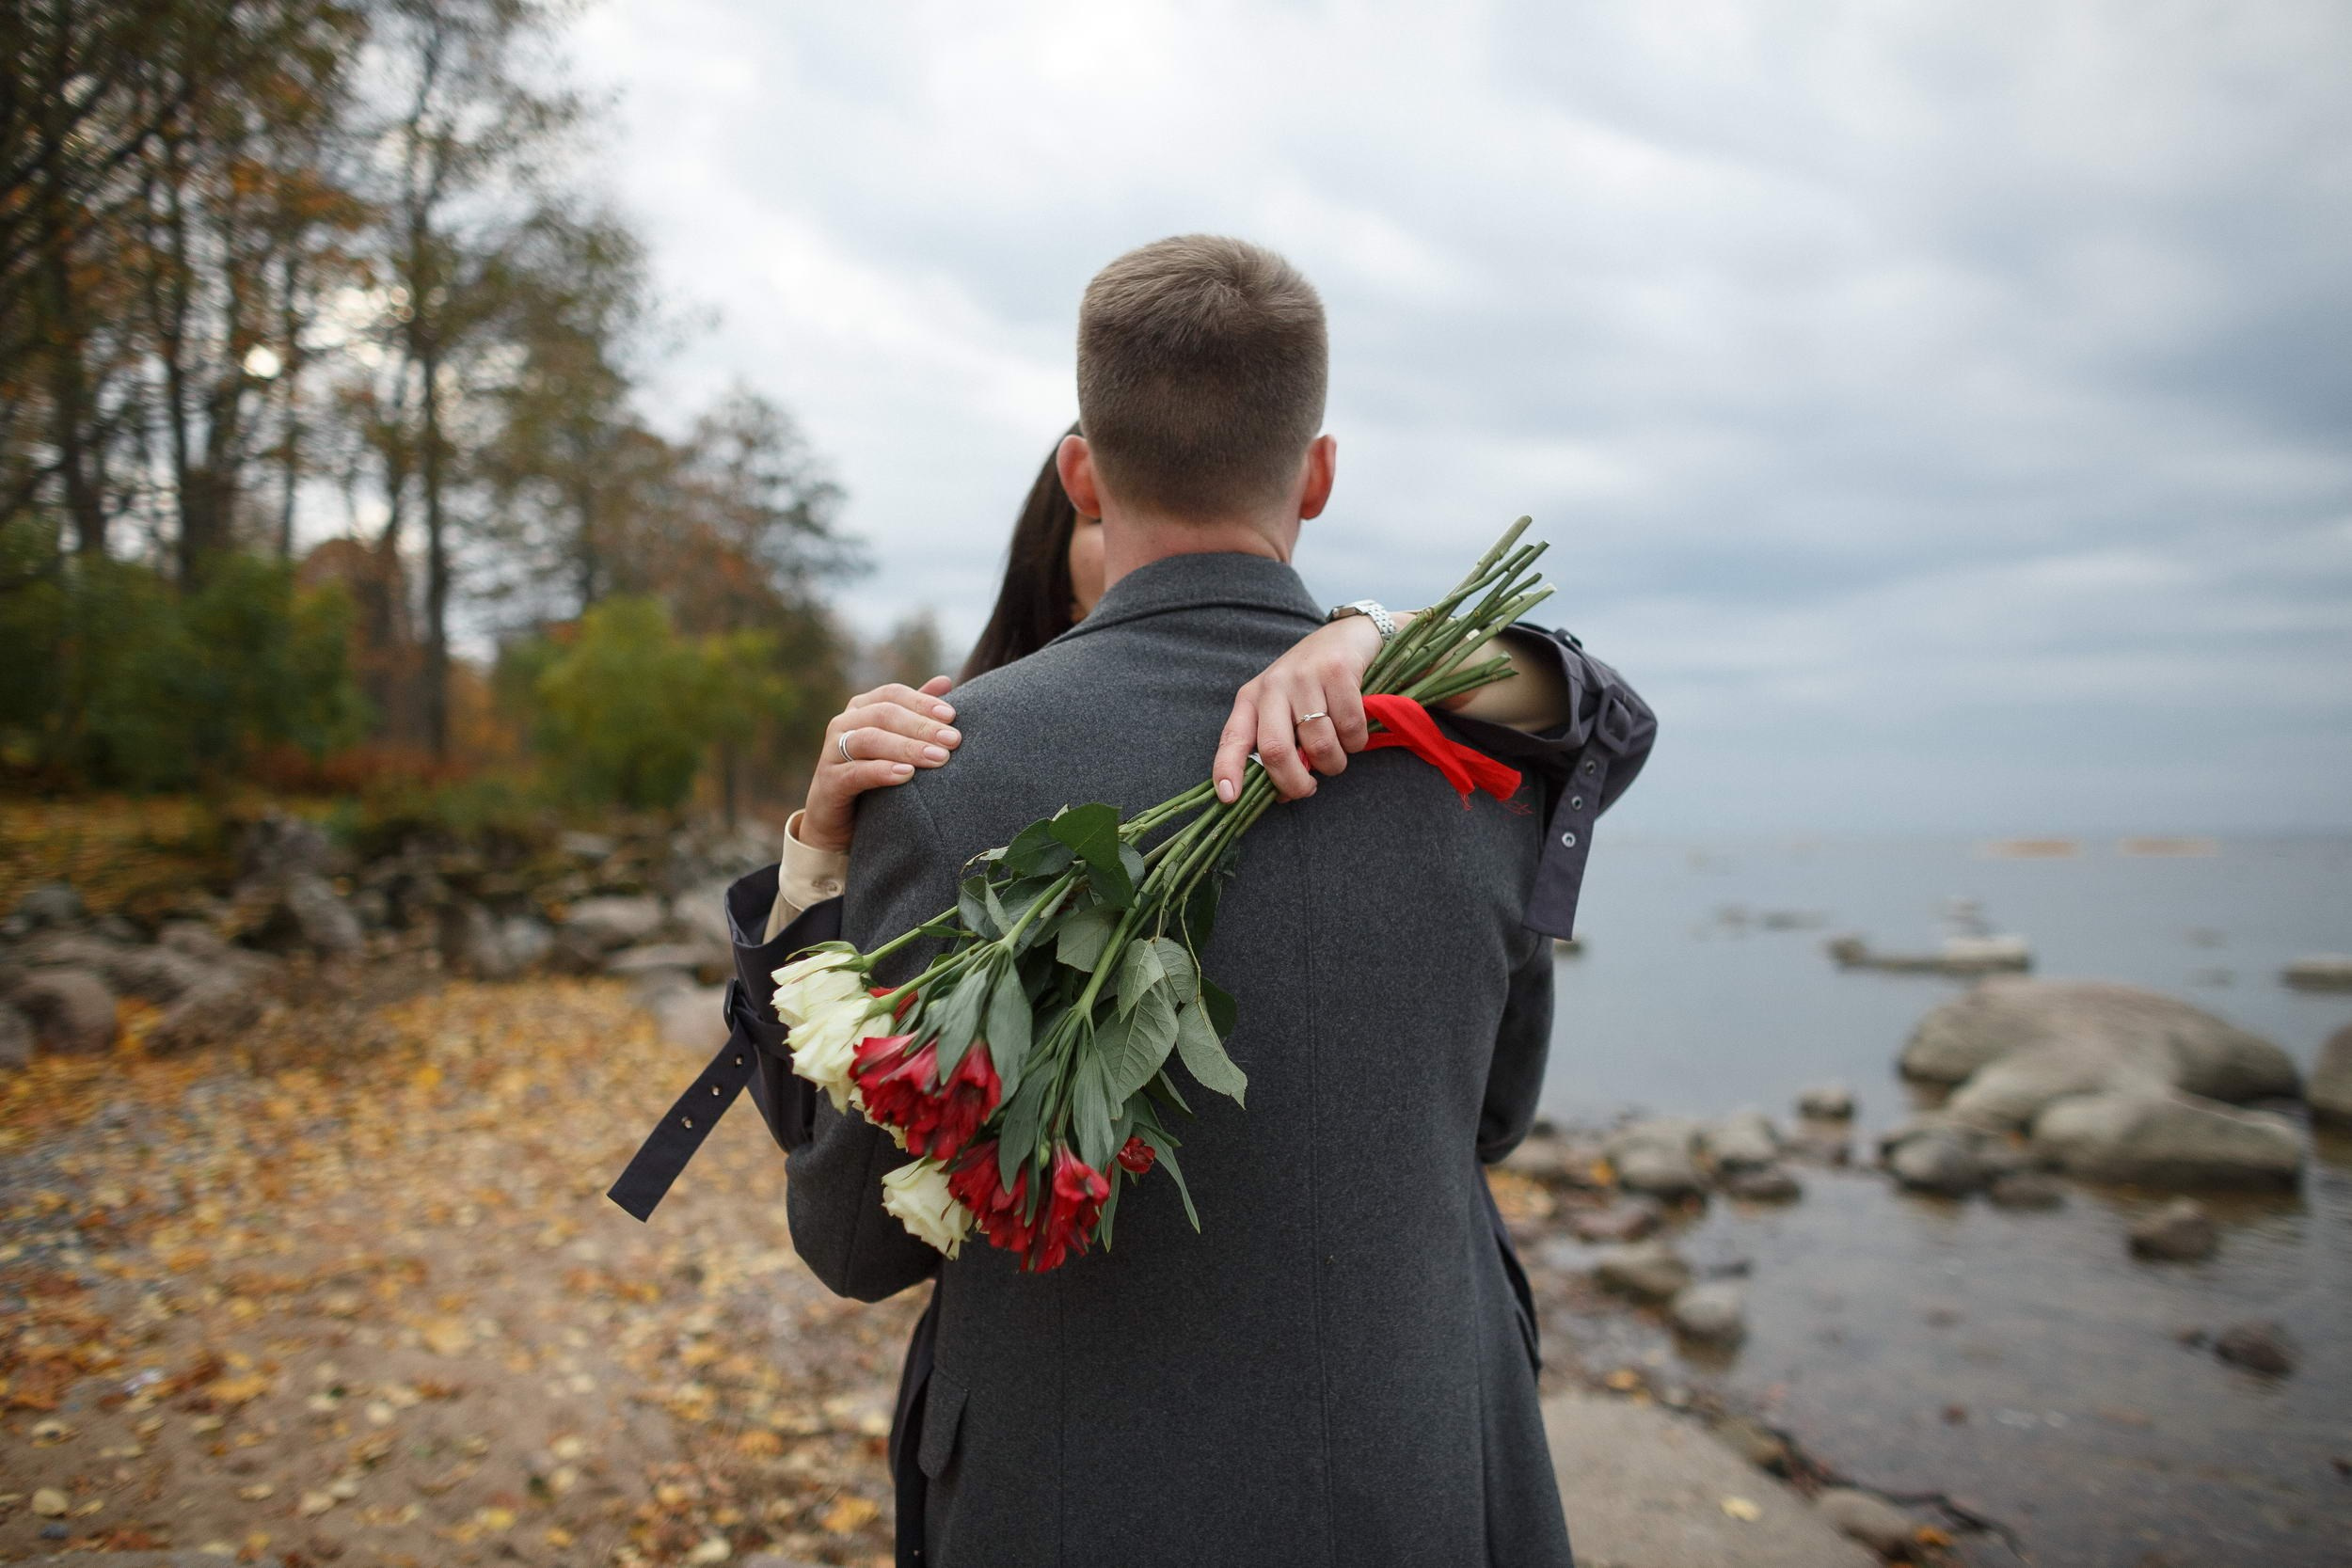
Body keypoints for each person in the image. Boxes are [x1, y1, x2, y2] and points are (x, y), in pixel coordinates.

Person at [607, 237, 1656, 1565]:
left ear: (1082, 469)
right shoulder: (1472, 756)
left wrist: (814, 871)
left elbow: (859, 1239)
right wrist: (1415, 644)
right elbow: (1494, 1116)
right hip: (1422, 1469)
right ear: (1319, 473)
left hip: (1068, 1495)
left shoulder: (932, 775)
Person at [759, 425, 1603, 942]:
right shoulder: (943, 759)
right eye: (1100, 519)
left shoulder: (1346, 717)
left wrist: (1376, 628)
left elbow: (1610, 727)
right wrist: (819, 851)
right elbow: (820, 1082)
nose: (1133, 535)